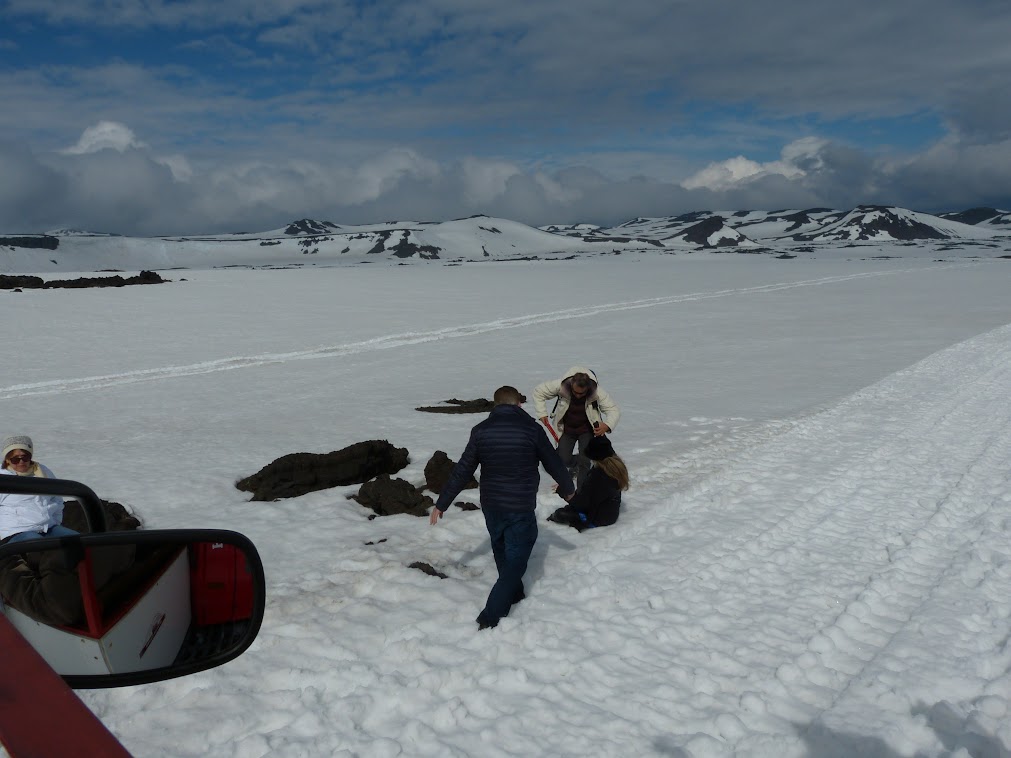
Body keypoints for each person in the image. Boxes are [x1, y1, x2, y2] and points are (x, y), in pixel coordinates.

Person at [429, 386, 575, 630]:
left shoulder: (481, 431)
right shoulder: (531, 430)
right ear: (518, 404)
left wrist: (442, 503)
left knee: (501, 547)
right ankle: (491, 615)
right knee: (517, 558)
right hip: (519, 505)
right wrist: (569, 490)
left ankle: (514, 592)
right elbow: (553, 463)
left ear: (495, 405)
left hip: (491, 505)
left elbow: (462, 470)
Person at [532, 366, 620, 488]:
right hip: (567, 430)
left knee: (585, 461)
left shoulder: (597, 391)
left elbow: (613, 410)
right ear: (571, 384)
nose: (578, 396)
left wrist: (607, 425)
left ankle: (581, 492)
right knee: (562, 459)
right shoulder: (562, 385)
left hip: (587, 430)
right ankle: (580, 464)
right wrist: (542, 412)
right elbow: (539, 392)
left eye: (582, 393)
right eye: (575, 392)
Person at [0, 435, 77, 545]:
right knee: (39, 547)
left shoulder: (43, 472)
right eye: (15, 459)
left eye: (25, 457)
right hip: (17, 530)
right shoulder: (3, 478)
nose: (21, 462)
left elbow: (57, 499)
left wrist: (55, 521)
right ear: (7, 460)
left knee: (79, 541)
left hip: (48, 527)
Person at [547, 435, 629, 531]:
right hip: (609, 514)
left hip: (598, 519)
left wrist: (565, 493)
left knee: (560, 514)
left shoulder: (599, 476)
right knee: (568, 510)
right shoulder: (613, 468)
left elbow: (584, 505)